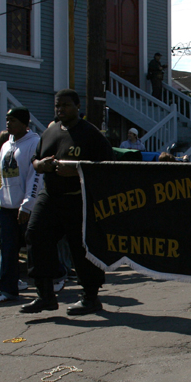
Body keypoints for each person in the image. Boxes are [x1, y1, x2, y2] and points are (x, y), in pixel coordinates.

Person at [22, 89, 114, 315]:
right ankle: (45, 295)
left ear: (77, 107)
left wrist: (76, 170)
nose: (60, 109)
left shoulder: (90, 134)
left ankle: (90, 297)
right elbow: (35, 158)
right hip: (50, 196)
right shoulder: (51, 130)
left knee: (81, 248)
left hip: (78, 200)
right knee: (35, 235)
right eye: (57, 106)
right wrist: (40, 165)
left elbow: (107, 166)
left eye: (65, 105)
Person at [0, 108, 40, 305]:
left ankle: (49, 282)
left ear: (24, 123)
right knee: (8, 249)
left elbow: (35, 177)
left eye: (12, 120)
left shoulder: (34, 143)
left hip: (26, 208)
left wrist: (27, 204)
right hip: (6, 207)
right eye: (7, 119)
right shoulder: (5, 145)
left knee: (34, 248)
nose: (8, 123)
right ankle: (7, 290)